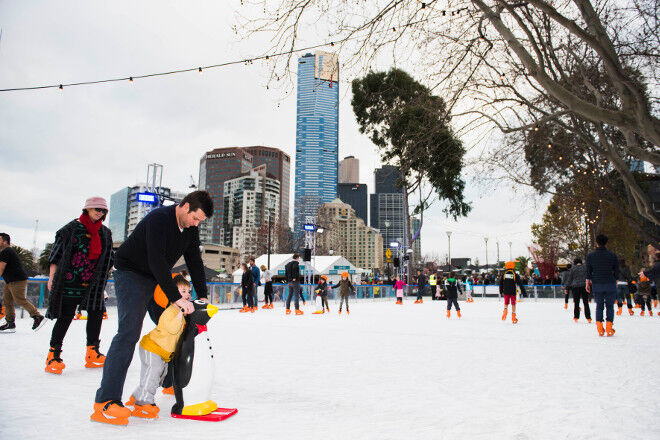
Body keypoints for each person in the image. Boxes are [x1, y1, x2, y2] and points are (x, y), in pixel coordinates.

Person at [91, 191, 212, 425]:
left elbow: (195, 261)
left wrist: (203, 295)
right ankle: (105, 402)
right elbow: (156, 259)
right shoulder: (159, 218)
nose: (196, 224)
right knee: (128, 333)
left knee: (175, 327)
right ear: (185, 207)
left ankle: (165, 385)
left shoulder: (190, 229)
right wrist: (176, 297)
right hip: (131, 273)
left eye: (200, 221)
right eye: (195, 218)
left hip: (156, 277)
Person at [44, 197, 115, 374]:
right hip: (70, 279)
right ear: (87, 209)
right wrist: (52, 277)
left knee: (96, 312)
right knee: (66, 315)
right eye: (96, 209)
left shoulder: (105, 233)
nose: (100, 213)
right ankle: (53, 354)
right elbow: (56, 255)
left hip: (94, 281)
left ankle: (92, 352)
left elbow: (108, 258)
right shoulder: (70, 229)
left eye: (103, 211)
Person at [121, 275, 190, 421]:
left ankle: (135, 397)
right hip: (152, 347)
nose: (187, 295)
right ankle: (143, 403)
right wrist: (180, 315)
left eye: (188, 291)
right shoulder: (170, 311)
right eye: (183, 291)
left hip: (162, 352)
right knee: (153, 373)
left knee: (158, 377)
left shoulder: (179, 312)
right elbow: (171, 329)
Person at [0, 233, 45, 333]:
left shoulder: (6, 251)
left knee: (20, 300)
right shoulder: (4, 252)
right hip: (9, 281)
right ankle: (10, 323)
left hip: (17, 280)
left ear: (5, 241)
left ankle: (37, 316)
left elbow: (1, 268)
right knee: (7, 301)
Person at [586, 234, 619, 337]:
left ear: (596, 243)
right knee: (610, 306)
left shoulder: (590, 256)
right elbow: (616, 270)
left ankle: (600, 327)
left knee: (599, 306)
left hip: (597, 283)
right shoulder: (612, 255)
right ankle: (609, 327)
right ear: (606, 243)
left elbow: (588, 271)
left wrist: (587, 283)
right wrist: (616, 281)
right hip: (610, 283)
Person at [564, 258, 591, 323]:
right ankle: (588, 318)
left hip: (575, 287)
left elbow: (570, 279)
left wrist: (566, 288)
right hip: (584, 286)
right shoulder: (585, 267)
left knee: (576, 303)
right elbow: (589, 276)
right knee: (586, 303)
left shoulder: (573, 269)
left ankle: (576, 317)